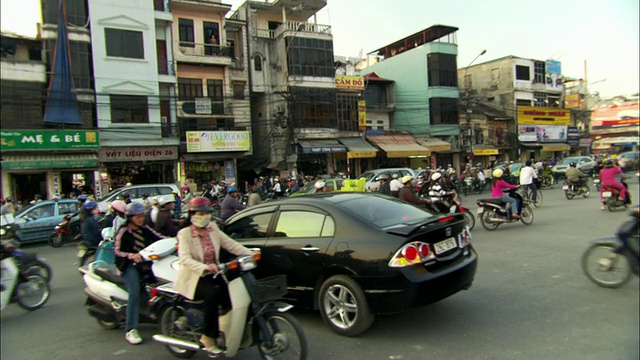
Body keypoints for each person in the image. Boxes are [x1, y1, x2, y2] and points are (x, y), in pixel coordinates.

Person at [174, 197, 253, 355]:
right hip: (195, 277)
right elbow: (185, 258)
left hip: (215, 273)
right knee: (213, 294)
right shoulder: (184, 234)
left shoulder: (213, 228)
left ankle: (225, 331)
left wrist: (250, 253)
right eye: (200, 213)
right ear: (192, 214)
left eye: (207, 213)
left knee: (235, 296)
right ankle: (208, 337)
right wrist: (204, 267)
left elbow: (230, 244)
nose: (204, 216)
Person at [114, 202, 165, 345]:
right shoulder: (123, 231)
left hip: (145, 265)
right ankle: (131, 329)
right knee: (135, 292)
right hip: (128, 266)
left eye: (142, 216)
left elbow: (159, 238)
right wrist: (131, 255)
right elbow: (117, 251)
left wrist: (175, 241)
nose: (141, 219)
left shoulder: (145, 229)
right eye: (137, 217)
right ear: (130, 217)